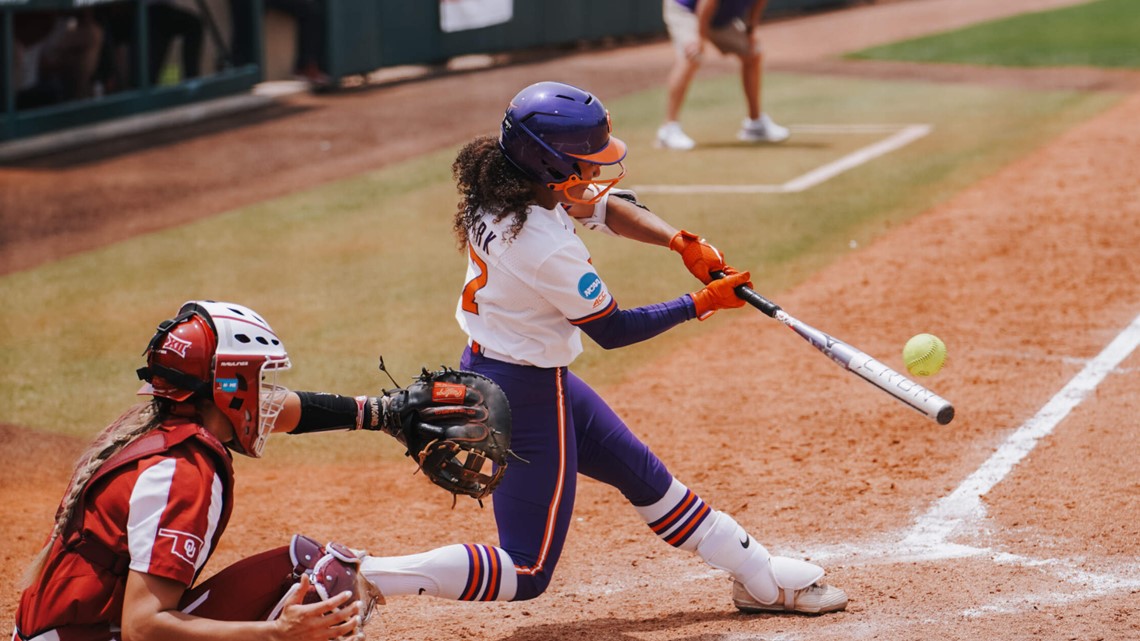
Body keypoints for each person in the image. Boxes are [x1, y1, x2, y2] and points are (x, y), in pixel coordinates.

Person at [354, 82, 846, 616]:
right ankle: (363, 573)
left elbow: (603, 208)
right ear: (551, 167)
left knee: (646, 479)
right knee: (527, 568)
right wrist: (700, 303)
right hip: (526, 394)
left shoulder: (506, 191)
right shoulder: (544, 247)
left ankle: (759, 578)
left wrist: (680, 242)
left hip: (511, 372)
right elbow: (613, 330)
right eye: (586, 164)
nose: (595, 174)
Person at [13, 299, 495, 641]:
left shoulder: (161, 428)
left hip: (68, 630)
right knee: (315, 579)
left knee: (301, 567)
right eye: (257, 380)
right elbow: (145, 626)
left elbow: (279, 409)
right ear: (226, 387)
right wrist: (275, 634)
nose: (267, 394)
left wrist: (376, 413)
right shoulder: (184, 472)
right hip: (106, 633)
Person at [657, 0, 789, 150]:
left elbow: (758, 3)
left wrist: (750, 31)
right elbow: (707, 3)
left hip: (719, 17)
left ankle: (755, 125)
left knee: (753, 53)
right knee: (692, 56)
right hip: (687, 11)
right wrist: (700, 38)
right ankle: (668, 129)